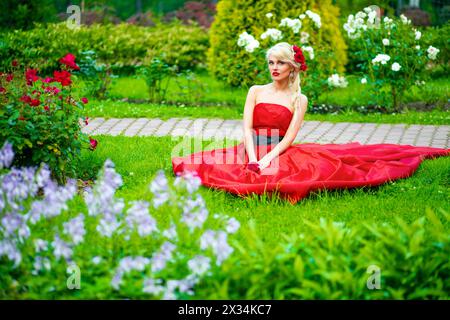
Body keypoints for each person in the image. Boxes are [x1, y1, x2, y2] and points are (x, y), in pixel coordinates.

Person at [171, 42, 449, 204]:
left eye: (280, 62)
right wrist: (254, 156)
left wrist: (268, 158)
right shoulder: (255, 90)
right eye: (270, 62)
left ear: (292, 66)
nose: (274, 68)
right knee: (212, 167)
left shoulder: (298, 100)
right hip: (252, 147)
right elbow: (246, 128)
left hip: (279, 149)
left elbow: (289, 138)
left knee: (293, 177)